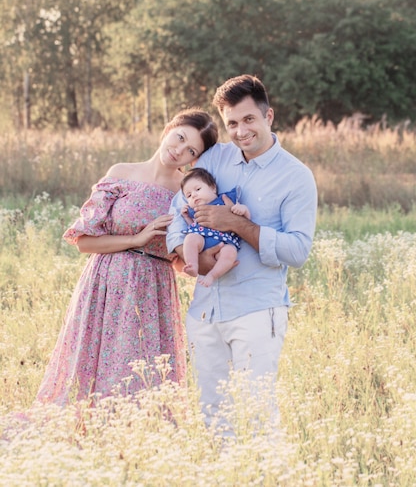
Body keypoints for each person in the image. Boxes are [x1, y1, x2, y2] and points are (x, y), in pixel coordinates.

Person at [167, 75, 317, 435]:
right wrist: (191, 257)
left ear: (269, 116)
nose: (240, 131)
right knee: (213, 415)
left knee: (258, 413)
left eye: (248, 119)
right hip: (205, 309)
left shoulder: (296, 177)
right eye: (231, 123)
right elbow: (178, 212)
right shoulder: (215, 159)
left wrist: (235, 226)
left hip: (255, 309)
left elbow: (297, 250)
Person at [36, 110, 219, 405]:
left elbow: (179, 257)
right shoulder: (121, 172)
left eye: (191, 150)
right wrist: (137, 239)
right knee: (92, 366)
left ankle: (132, 437)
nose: (179, 150)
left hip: (153, 290)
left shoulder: (186, 192)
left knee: (141, 371)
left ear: (194, 160)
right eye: (180, 137)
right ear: (169, 129)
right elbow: (84, 242)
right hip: (105, 283)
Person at [180, 167, 250, 288]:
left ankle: (212, 275)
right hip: (202, 240)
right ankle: (193, 265)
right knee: (190, 238)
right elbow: (193, 226)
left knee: (230, 252)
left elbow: (245, 220)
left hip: (224, 242)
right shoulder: (195, 210)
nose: (194, 195)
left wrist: (243, 209)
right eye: (189, 195)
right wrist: (187, 218)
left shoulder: (224, 200)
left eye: (198, 189)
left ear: (213, 188)